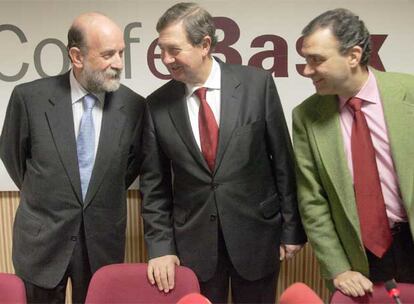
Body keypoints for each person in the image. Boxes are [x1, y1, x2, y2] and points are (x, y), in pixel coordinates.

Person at [140, 3, 306, 303]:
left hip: (257, 237)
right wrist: (161, 248)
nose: (166, 59)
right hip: (194, 245)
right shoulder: (156, 106)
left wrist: (292, 229)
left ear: (204, 45)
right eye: (161, 50)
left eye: (174, 50)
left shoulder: (257, 85)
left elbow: (282, 161)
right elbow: (155, 188)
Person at [0, 12, 146, 303]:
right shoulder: (29, 98)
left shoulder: (134, 106)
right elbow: (14, 156)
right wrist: (50, 191)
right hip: (42, 242)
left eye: (121, 53)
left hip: (101, 243)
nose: (118, 63)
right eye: (108, 54)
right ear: (77, 57)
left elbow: (127, 168)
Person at [293, 8, 414, 298]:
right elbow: (313, 202)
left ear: (353, 55)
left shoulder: (409, 92)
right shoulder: (306, 116)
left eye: (316, 60)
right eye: (305, 60)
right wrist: (338, 268)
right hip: (359, 257)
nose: (307, 70)